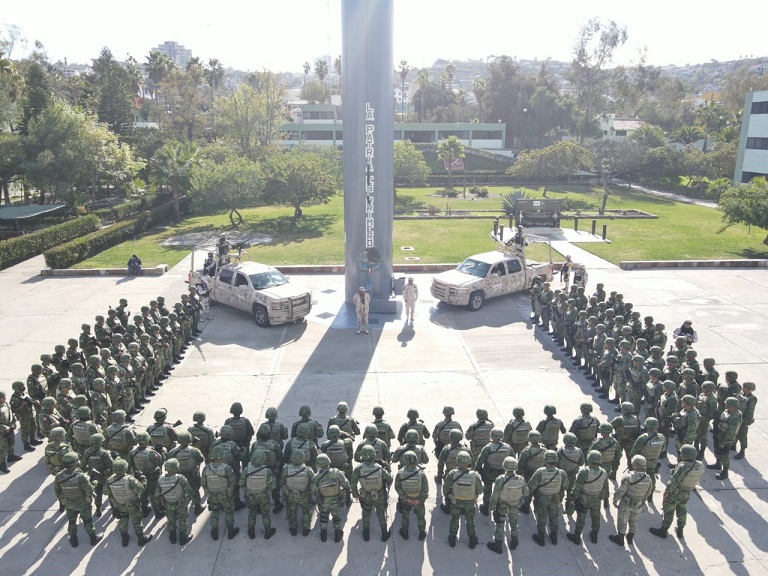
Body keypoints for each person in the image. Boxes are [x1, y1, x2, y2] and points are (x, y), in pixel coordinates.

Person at [650, 444, 704, 539]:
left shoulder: (683, 466)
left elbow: (674, 481)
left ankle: (663, 530)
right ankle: (680, 530)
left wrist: (667, 492)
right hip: (687, 492)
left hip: (675, 493)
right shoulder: (699, 465)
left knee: (669, 511)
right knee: (682, 511)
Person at [54, 452, 103, 547]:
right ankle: (93, 538)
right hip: (83, 503)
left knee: (72, 521)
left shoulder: (59, 476)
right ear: (74, 464)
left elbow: (57, 492)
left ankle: (73, 539)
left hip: (69, 504)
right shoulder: (81, 477)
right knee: (87, 521)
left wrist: (65, 499)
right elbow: (89, 488)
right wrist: (95, 482)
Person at [103, 458, 153, 547]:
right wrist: (143, 480)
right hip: (133, 504)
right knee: (136, 521)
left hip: (120, 504)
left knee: (123, 520)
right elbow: (141, 490)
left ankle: (124, 538)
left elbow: (106, 492)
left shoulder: (110, 480)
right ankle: (141, 539)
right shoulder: (130, 479)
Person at [609, 454, 652, 547]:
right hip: (638, 503)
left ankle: (620, 539)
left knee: (622, 520)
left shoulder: (629, 477)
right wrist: (642, 501)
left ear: (634, 464)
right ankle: (630, 537)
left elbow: (621, 490)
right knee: (634, 521)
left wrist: (615, 500)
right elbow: (648, 492)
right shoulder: (648, 478)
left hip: (626, 503)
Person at [486, 456, 528, 553]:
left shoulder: (500, 479)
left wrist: (492, 506)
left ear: (504, 466)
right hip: (515, 505)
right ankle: (514, 541)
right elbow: (526, 493)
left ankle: (498, 545)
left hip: (502, 506)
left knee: (500, 525)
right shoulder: (521, 479)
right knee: (514, 523)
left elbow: (495, 494)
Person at [351, 444, 392, 542]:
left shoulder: (358, 469)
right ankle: (384, 534)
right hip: (379, 494)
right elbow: (389, 479)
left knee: (366, 513)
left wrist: (356, 495)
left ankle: (366, 534)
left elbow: (353, 484)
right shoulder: (379, 468)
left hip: (366, 494)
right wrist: (387, 467)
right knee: (381, 513)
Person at [566, 450, 608, 545]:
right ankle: (594, 535)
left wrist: (572, 498)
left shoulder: (585, 472)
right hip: (596, 498)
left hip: (583, 498)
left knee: (581, 518)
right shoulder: (604, 472)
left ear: (589, 459)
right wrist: (602, 497)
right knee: (596, 517)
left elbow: (577, 486)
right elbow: (605, 487)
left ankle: (577, 537)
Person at [527, 450, 568, 546]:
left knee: (541, 517)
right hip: (555, 498)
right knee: (553, 517)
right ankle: (554, 537)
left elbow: (531, 486)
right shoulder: (561, 472)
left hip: (542, 498)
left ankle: (541, 538)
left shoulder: (540, 472)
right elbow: (566, 485)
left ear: (545, 460)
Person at [443, 450, 482, 549]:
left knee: (454, 519)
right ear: (469, 462)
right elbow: (480, 490)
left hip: (456, 501)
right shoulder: (474, 475)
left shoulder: (452, 474)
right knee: (470, 520)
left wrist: (451, 495)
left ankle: (452, 538)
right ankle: (472, 539)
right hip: (469, 502)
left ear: (458, 461)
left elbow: (446, 489)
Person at [202, 446, 239, 540]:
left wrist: (207, 493)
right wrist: (230, 490)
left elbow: (203, 483)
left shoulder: (206, 468)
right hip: (225, 494)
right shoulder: (226, 468)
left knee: (214, 512)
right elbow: (232, 480)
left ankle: (214, 531)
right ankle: (230, 531)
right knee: (228, 512)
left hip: (212, 494)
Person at [156, 458, 194, 545]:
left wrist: (161, 502)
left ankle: (172, 536)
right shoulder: (180, 478)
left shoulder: (160, 479)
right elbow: (189, 491)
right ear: (177, 468)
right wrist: (189, 499)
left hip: (168, 503)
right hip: (181, 503)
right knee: (183, 518)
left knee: (170, 519)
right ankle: (182, 537)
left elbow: (157, 493)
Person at [241, 450, 278, 540]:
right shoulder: (267, 471)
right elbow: (273, 485)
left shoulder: (247, 470)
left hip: (250, 495)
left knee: (252, 512)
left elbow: (241, 482)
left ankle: (251, 531)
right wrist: (268, 491)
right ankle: (267, 531)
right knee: (265, 514)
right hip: (263, 496)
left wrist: (247, 489)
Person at [394, 451, 428, 541]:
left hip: (406, 500)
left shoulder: (400, 473)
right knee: (420, 516)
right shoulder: (421, 474)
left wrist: (406, 498)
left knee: (405, 515)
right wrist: (419, 500)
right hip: (418, 500)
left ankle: (405, 532)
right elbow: (425, 489)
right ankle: (422, 533)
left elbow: (397, 487)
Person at [281, 449, 314, 536]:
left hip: (291, 495)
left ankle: (293, 528)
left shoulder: (286, 469)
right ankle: (306, 528)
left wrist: (287, 491)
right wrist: (310, 492)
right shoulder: (308, 470)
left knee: (292, 511)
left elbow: (282, 482)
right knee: (306, 511)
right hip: (305, 495)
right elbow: (313, 482)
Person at [735, 382, 757, 460]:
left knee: (742, 435)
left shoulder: (752, 399)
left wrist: (744, 421)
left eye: (744, 387)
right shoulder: (742, 394)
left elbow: (750, 412)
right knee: (736, 433)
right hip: (737, 417)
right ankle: (733, 446)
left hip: (744, 420)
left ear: (749, 389)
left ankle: (742, 451)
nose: (742, 388)